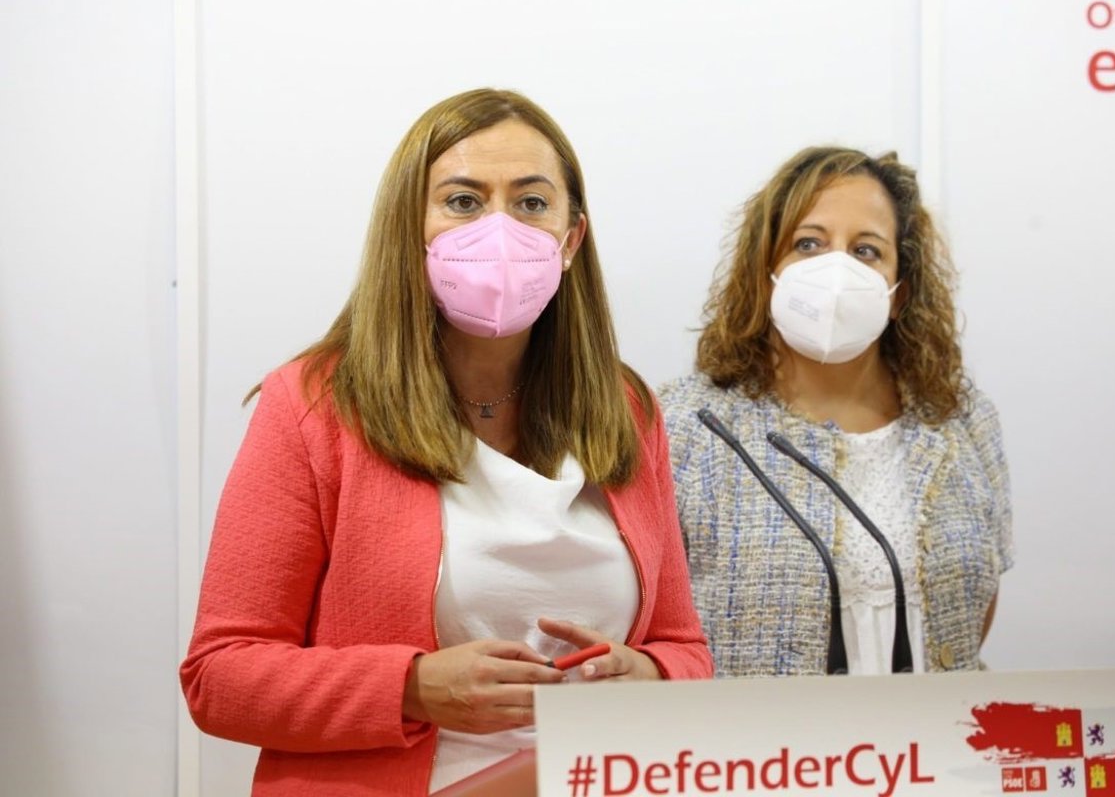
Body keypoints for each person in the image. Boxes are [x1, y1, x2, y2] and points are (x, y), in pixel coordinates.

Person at [180, 88, 712, 796]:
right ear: (412, 229)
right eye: (463, 201)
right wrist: (412, 687)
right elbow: (219, 675)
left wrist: (647, 675)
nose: (500, 230)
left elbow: (684, 648)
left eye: (531, 203)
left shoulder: (625, 409)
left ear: (571, 239)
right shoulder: (313, 405)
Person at [659, 147, 1012, 678]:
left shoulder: (962, 420)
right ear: (766, 270)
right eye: (808, 244)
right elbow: (657, 627)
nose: (837, 270)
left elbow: (974, 604)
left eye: (866, 251)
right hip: (760, 733)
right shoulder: (685, 425)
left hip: (942, 726)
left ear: (899, 292)